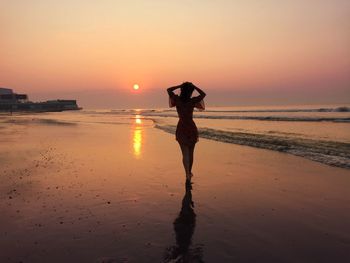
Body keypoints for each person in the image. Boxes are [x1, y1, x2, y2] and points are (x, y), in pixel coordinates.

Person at [167, 82, 206, 181]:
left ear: (182, 90)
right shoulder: (192, 101)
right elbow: (203, 94)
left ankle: (187, 174)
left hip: (181, 127)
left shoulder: (177, 100)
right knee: (191, 153)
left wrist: (180, 86)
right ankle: (189, 172)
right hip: (191, 127)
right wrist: (195, 87)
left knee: (185, 154)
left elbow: (168, 90)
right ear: (191, 91)